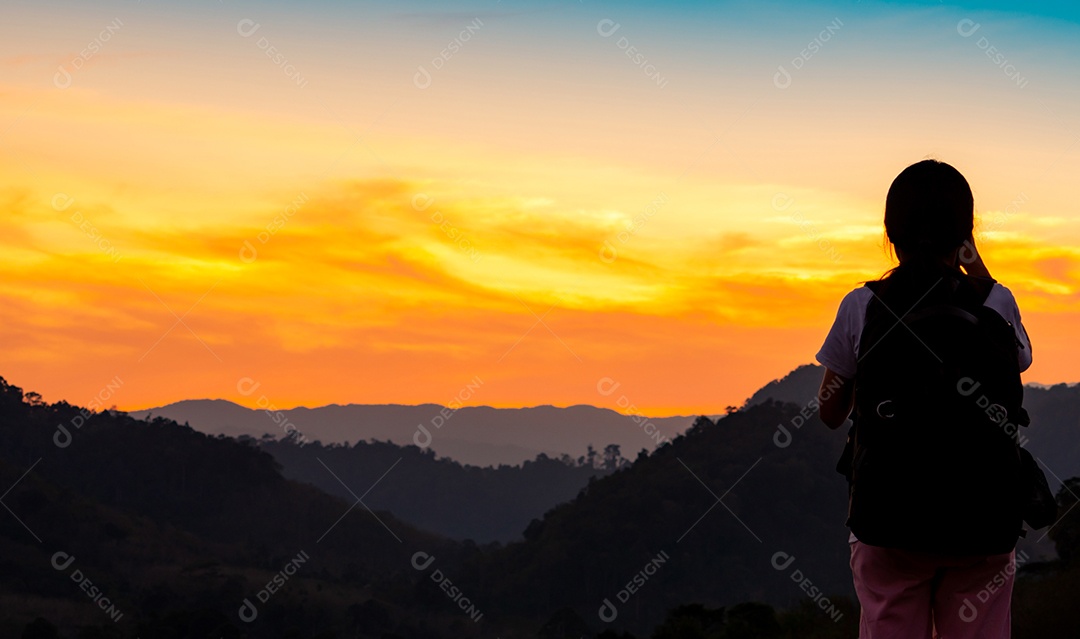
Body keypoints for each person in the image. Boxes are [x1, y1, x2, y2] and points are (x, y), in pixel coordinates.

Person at [814, 159, 1033, 639]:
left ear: (890, 232)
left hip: (889, 521)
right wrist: (969, 258)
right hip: (985, 521)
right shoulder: (997, 303)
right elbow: (1020, 363)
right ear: (967, 233)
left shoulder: (863, 305)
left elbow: (829, 411)